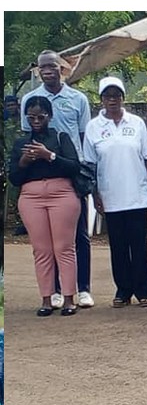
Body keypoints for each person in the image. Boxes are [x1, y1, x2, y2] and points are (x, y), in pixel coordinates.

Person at [20, 50, 94, 307]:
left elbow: (84, 135)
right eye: (42, 67)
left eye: (52, 66)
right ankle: (55, 291)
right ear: (38, 70)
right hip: (41, 173)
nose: (47, 70)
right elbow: (28, 134)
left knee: (79, 235)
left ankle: (82, 289)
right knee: (49, 241)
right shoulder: (30, 99)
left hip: (71, 170)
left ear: (61, 68)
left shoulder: (78, 99)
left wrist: (82, 168)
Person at [83, 76, 147, 307]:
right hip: (110, 196)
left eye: (116, 95)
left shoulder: (136, 123)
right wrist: (95, 194)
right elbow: (90, 165)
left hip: (137, 194)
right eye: (107, 96)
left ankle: (143, 291)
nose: (112, 100)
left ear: (123, 98)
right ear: (101, 99)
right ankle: (123, 291)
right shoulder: (93, 127)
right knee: (118, 246)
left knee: (139, 245)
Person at [8, 95, 82, 316]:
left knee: (64, 248)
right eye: (31, 117)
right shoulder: (21, 143)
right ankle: (47, 299)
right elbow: (14, 178)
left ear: (49, 116)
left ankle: (69, 299)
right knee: (41, 250)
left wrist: (48, 155)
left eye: (40, 116)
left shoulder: (60, 137)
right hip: (31, 197)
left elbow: (74, 166)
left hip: (61, 194)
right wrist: (24, 161)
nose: (36, 121)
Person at [3, 94, 26, 235]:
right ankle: (19, 222)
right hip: (10, 161)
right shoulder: (4, 123)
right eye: (8, 106)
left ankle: (26, 222)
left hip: (25, 159)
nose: (11, 108)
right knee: (13, 192)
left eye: (13, 105)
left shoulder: (24, 120)